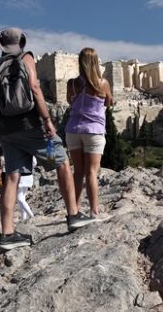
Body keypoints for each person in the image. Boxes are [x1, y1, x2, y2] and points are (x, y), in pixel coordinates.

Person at [0, 28, 95, 250]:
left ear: (0, 45)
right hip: (31, 125)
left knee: (12, 177)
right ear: (23, 42)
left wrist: (1, 130)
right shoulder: (26, 57)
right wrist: (47, 120)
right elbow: (35, 88)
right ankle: (73, 214)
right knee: (62, 162)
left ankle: (7, 234)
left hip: (7, 129)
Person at [65, 47, 113, 220]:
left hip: (73, 129)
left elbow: (69, 100)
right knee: (92, 172)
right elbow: (109, 102)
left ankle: (74, 211)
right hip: (94, 130)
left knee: (78, 171)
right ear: (95, 62)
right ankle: (94, 211)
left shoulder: (71, 84)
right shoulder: (103, 83)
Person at [16, 156, 36, 221]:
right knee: (22, 198)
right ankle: (24, 218)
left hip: (21, 176)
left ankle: (31, 216)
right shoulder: (29, 151)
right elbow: (34, 162)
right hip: (28, 175)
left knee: (19, 199)